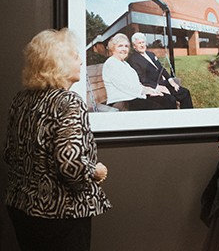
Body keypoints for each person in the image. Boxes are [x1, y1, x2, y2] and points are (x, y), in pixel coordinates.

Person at [3, 28, 112, 251]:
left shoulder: (21, 99)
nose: (81, 61)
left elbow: (8, 153)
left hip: (22, 208)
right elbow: (70, 165)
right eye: (75, 56)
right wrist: (95, 171)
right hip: (61, 214)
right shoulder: (68, 102)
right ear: (58, 62)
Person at [102, 33, 177, 111]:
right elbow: (125, 87)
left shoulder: (125, 64)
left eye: (126, 46)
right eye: (120, 46)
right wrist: (146, 92)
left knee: (168, 99)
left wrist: (152, 90)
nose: (124, 49)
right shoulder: (111, 64)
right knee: (158, 107)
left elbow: (136, 84)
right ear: (113, 48)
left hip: (133, 96)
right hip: (122, 101)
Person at [127, 32, 193, 109]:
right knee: (170, 100)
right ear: (134, 46)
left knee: (185, 93)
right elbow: (141, 78)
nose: (142, 45)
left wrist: (170, 79)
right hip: (152, 88)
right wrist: (157, 87)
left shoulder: (151, 54)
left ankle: (188, 117)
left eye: (143, 42)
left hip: (164, 83)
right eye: (139, 43)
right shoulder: (133, 59)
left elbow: (161, 68)